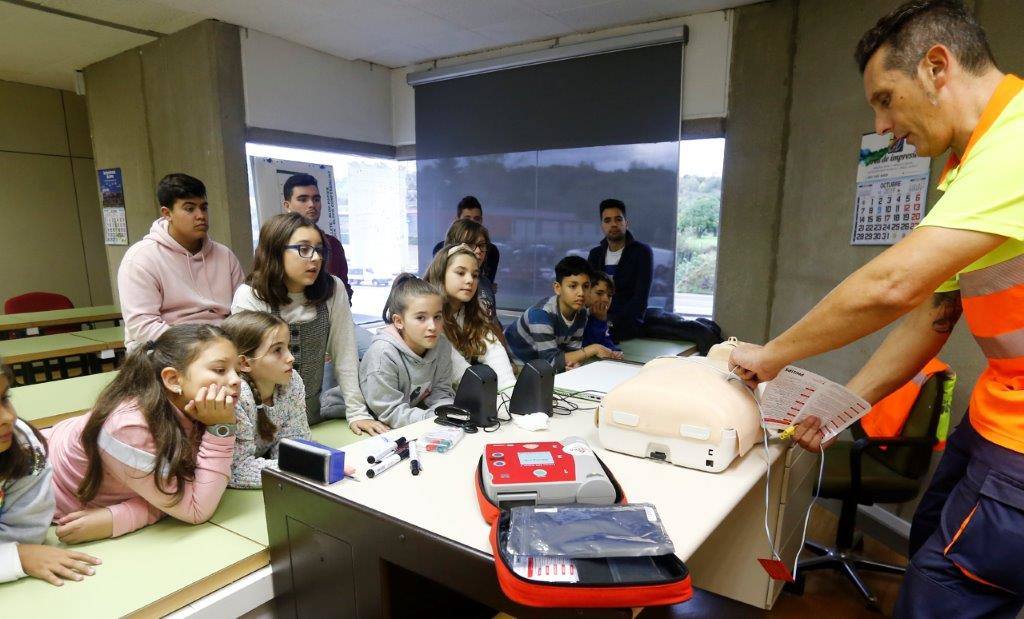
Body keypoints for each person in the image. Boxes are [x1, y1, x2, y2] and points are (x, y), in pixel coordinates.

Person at [729, 2, 1024, 616]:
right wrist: (843, 406)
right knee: (930, 549)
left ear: (937, 67)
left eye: (886, 99)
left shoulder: (1016, 142)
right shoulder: (967, 166)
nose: (882, 125)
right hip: (996, 413)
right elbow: (932, 317)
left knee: (943, 595)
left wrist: (770, 355)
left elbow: (893, 285)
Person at [47, 325, 241, 542]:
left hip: (130, 484)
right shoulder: (129, 428)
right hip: (50, 488)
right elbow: (197, 508)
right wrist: (221, 430)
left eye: (238, 370)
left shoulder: (214, 406)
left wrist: (127, 514)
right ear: (173, 380)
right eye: (220, 370)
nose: (236, 380)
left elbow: (200, 486)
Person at [232, 213, 387, 435]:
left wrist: (357, 412)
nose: (315, 258)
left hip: (311, 413)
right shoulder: (251, 295)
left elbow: (345, 353)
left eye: (319, 250)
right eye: (304, 249)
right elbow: (245, 371)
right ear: (276, 251)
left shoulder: (333, 289)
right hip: (260, 421)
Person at [0, 361, 101, 585]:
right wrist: (16, 557)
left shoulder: (24, 446)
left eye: (4, 398)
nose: (7, 417)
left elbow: (26, 532)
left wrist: (16, 553)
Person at [117, 173, 245, 351]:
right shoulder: (141, 258)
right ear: (167, 213)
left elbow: (241, 312)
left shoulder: (225, 256)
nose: (201, 215)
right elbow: (143, 326)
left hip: (220, 345)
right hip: (163, 347)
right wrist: (198, 348)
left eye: (204, 207)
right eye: (190, 209)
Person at [220, 311, 311, 489]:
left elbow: (295, 441)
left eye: (288, 347)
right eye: (277, 350)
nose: (291, 357)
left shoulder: (292, 382)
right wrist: (304, 468)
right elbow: (237, 469)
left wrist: (303, 463)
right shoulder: (235, 397)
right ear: (244, 363)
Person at [359, 274, 455, 429]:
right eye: (421, 318)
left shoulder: (442, 345)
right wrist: (434, 418)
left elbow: (441, 392)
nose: (432, 326)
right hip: (364, 416)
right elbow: (389, 411)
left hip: (408, 414)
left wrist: (448, 413)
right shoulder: (383, 353)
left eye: (437, 316)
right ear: (399, 321)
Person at [505, 256, 622, 370]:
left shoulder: (581, 313)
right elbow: (550, 362)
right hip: (512, 362)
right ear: (557, 288)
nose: (581, 293)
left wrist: (569, 364)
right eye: (573, 286)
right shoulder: (541, 314)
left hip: (537, 363)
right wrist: (594, 349)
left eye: (586, 286)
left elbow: (571, 353)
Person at [424, 244, 515, 391]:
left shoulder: (472, 311)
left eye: (475, 275)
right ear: (441, 275)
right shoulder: (429, 316)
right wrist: (485, 392)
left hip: (459, 392)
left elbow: (493, 350)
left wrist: (509, 389)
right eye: (460, 273)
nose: (470, 280)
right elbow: (454, 365)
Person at [587, 199, 653, 342]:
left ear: (626, 223)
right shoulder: (595, 254)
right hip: (596, 320)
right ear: (602, 226)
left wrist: (612, 321)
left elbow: (640, 299)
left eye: (618, 219)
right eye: (607, 220)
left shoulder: (641, 252)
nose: (613, 224)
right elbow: (589, 293)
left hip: (627, 325)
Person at [282, 173, 353, 300]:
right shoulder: (274, 242)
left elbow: (343, 290)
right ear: (287, 206)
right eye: (303, 199)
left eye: (316, 199)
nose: (311, 205)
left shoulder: (333, 245)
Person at [432, 196, 500, 284]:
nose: (472, 223)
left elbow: (488, 283)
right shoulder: (441, 249)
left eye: (476, 219)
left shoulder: (491, 251)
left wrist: (486, 288)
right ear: (457, 220)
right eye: (467, 219)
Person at [441, 219, 498, 316]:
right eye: (470, 244)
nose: (478, 251)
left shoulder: (485, 283)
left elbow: (493, 321)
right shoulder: (436, 293)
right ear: (453, 248)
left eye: (481, 245)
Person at [583, 271, 620, 352]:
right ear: (585, 291)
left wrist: (614, 352)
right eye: (599, 293)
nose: (606, 299)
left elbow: (606, 341)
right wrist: (599, 320)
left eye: (609, 295)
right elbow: (587, 345)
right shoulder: (577, 314)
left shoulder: (603, 315)